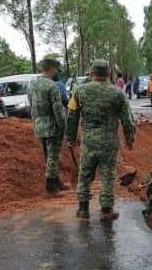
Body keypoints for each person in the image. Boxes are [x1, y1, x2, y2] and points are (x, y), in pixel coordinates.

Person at [66, 60, 135, 221]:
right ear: (108, 74)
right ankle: (106, 210)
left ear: (91, 73)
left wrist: (70, 137)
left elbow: (71, 116)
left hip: (88, 141)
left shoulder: (79, 91)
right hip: (109, 142)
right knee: (107, 175)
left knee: (84, 174)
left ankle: (83, 210)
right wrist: (129, 139)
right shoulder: (118, 93)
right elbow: (127, 120)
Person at [29, 58, 69, 194]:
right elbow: (58, 109)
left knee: (48, 155)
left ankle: (56, 181)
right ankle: (51, 187)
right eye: (56, 69)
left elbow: (31, 106)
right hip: (52, 126)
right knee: (53, 156)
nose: (57, 71)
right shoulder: (52, 86)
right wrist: (64, 126)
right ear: (51, 68)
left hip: (39, 126)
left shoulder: (33, 85)